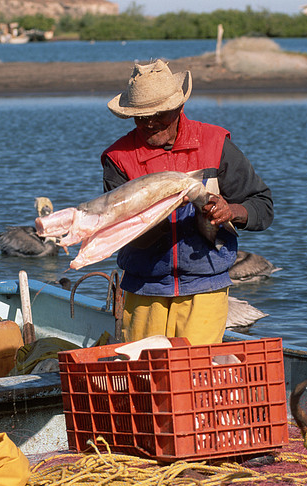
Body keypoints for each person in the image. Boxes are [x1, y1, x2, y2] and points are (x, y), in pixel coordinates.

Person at [102, 59, 274, 345]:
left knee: (195, 369)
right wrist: (158, 214)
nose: (149, 123)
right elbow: (117, 229)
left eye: (159, 114)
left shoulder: (215, 143)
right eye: (140, 116)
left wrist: (230, 211)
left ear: (179, 107)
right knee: (147, 369)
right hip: (144, 290)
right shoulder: (118, 158)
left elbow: (263, 206)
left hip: (205, 289)